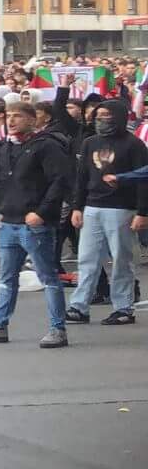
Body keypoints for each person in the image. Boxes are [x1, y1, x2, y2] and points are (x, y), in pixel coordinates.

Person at [0, 100, 74, 347]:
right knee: (6, 278)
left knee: (48, 278)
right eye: (9, 116)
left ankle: (58, 329)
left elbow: (59, 181)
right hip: (9, 223)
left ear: (32, 120)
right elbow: (0, 183)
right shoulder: (5, 148)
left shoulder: (46, 146)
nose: (11, 120)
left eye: (18, 116)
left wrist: (42, 212)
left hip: (34, 223)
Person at [70, 101, 148, 325]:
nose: (101, 119)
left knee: (122, 259)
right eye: (98, 115)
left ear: (119, 117)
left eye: (107, 115)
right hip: (92, 206)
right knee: (87, 259)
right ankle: (79, 305)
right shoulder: (89, 142)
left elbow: (143, 180)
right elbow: (82, 176)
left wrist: (142, 212)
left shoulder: (134, 144)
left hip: (122, 208)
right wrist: (78, 206)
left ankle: (123, 307)